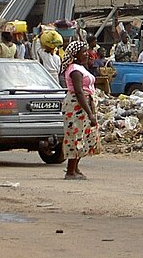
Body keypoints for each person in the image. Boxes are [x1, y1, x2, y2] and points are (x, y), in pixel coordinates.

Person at [60, 40, 101, 180]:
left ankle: (75, 168)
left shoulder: (80, 67)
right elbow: (78, 92)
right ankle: (70, 171)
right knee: (75, 137)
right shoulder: (74, 70)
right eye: (83, 52)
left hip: (83, 106)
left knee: (84, 136)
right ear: (75, 54)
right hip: (76, 106)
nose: (87, 54)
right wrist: (90, 113)